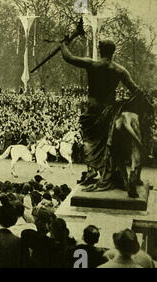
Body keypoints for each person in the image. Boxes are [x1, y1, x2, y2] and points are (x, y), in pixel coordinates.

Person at [60, 38, 151, 196]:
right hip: (110, 109)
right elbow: (136, 91)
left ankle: (99, 174)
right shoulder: (120, 70)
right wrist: (132, 103)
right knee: (111, 145)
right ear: (113, 51)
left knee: (91, 142)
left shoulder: (92, 64)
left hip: (93, 111)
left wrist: (63, 44)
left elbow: (68, 58)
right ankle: (118, 175)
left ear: (101, 50)